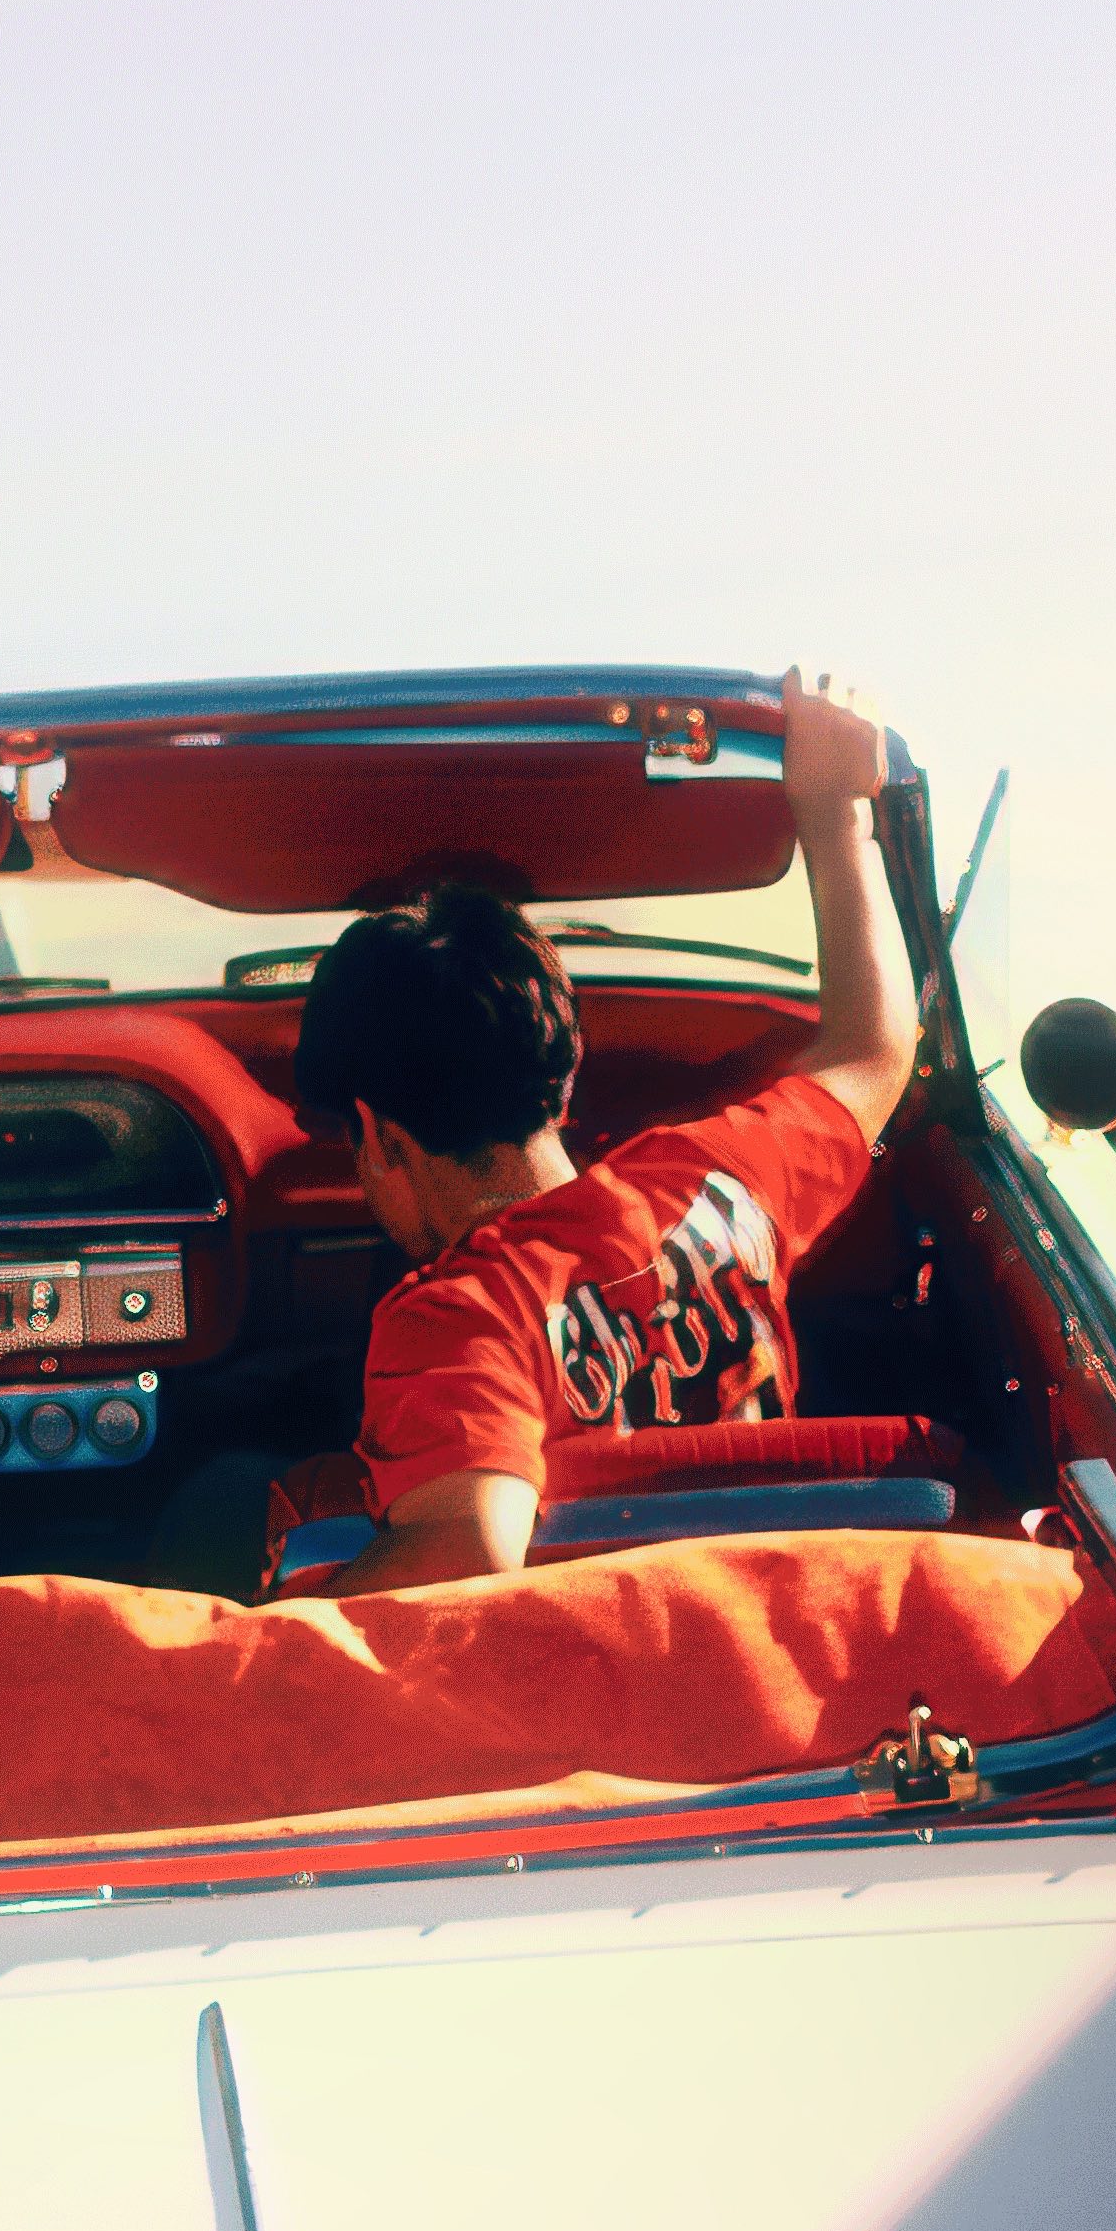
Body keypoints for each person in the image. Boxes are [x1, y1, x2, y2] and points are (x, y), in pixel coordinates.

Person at [289, 673, 918, 1583]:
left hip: (595, 1671)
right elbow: (876, 1051)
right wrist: (834, 816)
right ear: (563, 1070)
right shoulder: (718, 1178)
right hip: (770, 1605)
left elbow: (469, 1552)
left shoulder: (456, 1322)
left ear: (380, 1136)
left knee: (229, 1496)